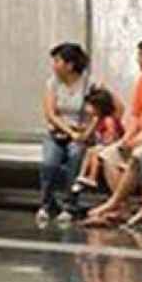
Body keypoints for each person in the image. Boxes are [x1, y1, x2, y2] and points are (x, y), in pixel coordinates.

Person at [86, 38, 142, 226]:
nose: (137, 60)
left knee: (139, 154)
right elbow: (135, 115)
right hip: (140, 133)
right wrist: (127, 138)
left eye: (140, 56)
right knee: (109, 154)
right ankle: (123, 208)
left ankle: (114, 203)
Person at [37, 42, 93, 222]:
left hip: (80, 134)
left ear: (70, 65)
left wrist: (87, 130)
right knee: (49, 163)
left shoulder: (89, 84)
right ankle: (47, 204)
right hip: (58, 132)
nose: (54, 65)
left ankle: (70, 204)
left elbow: (109, 109)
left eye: (57, 61)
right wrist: (69, 131)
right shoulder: (53, 83)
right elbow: (50, 114)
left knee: (75, 156)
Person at [67, 87, 123, 213]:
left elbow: (112, 138)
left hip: (114, 148)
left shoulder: (108, 120)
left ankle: (91, 177)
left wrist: (101, 144)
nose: (87, 109)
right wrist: (78, 133)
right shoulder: (96, 119)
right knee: (90, 151)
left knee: (94, 151)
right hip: (101, 147)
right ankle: (82, 177)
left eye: (90, 106)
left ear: (99, 107)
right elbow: (87, 135)